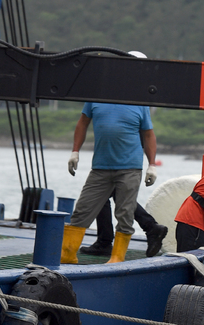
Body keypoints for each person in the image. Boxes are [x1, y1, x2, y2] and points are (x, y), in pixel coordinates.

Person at [61, 94, 159, 264]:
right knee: (82, 210)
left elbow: (148, 134)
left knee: (125, 212)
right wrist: (75, 151)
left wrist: (152, 164)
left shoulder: (139, 102)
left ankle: (117, 257)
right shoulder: (94, 98)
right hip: (100, 168)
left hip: (130, 167)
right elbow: (82, 123)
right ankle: (67, 254)